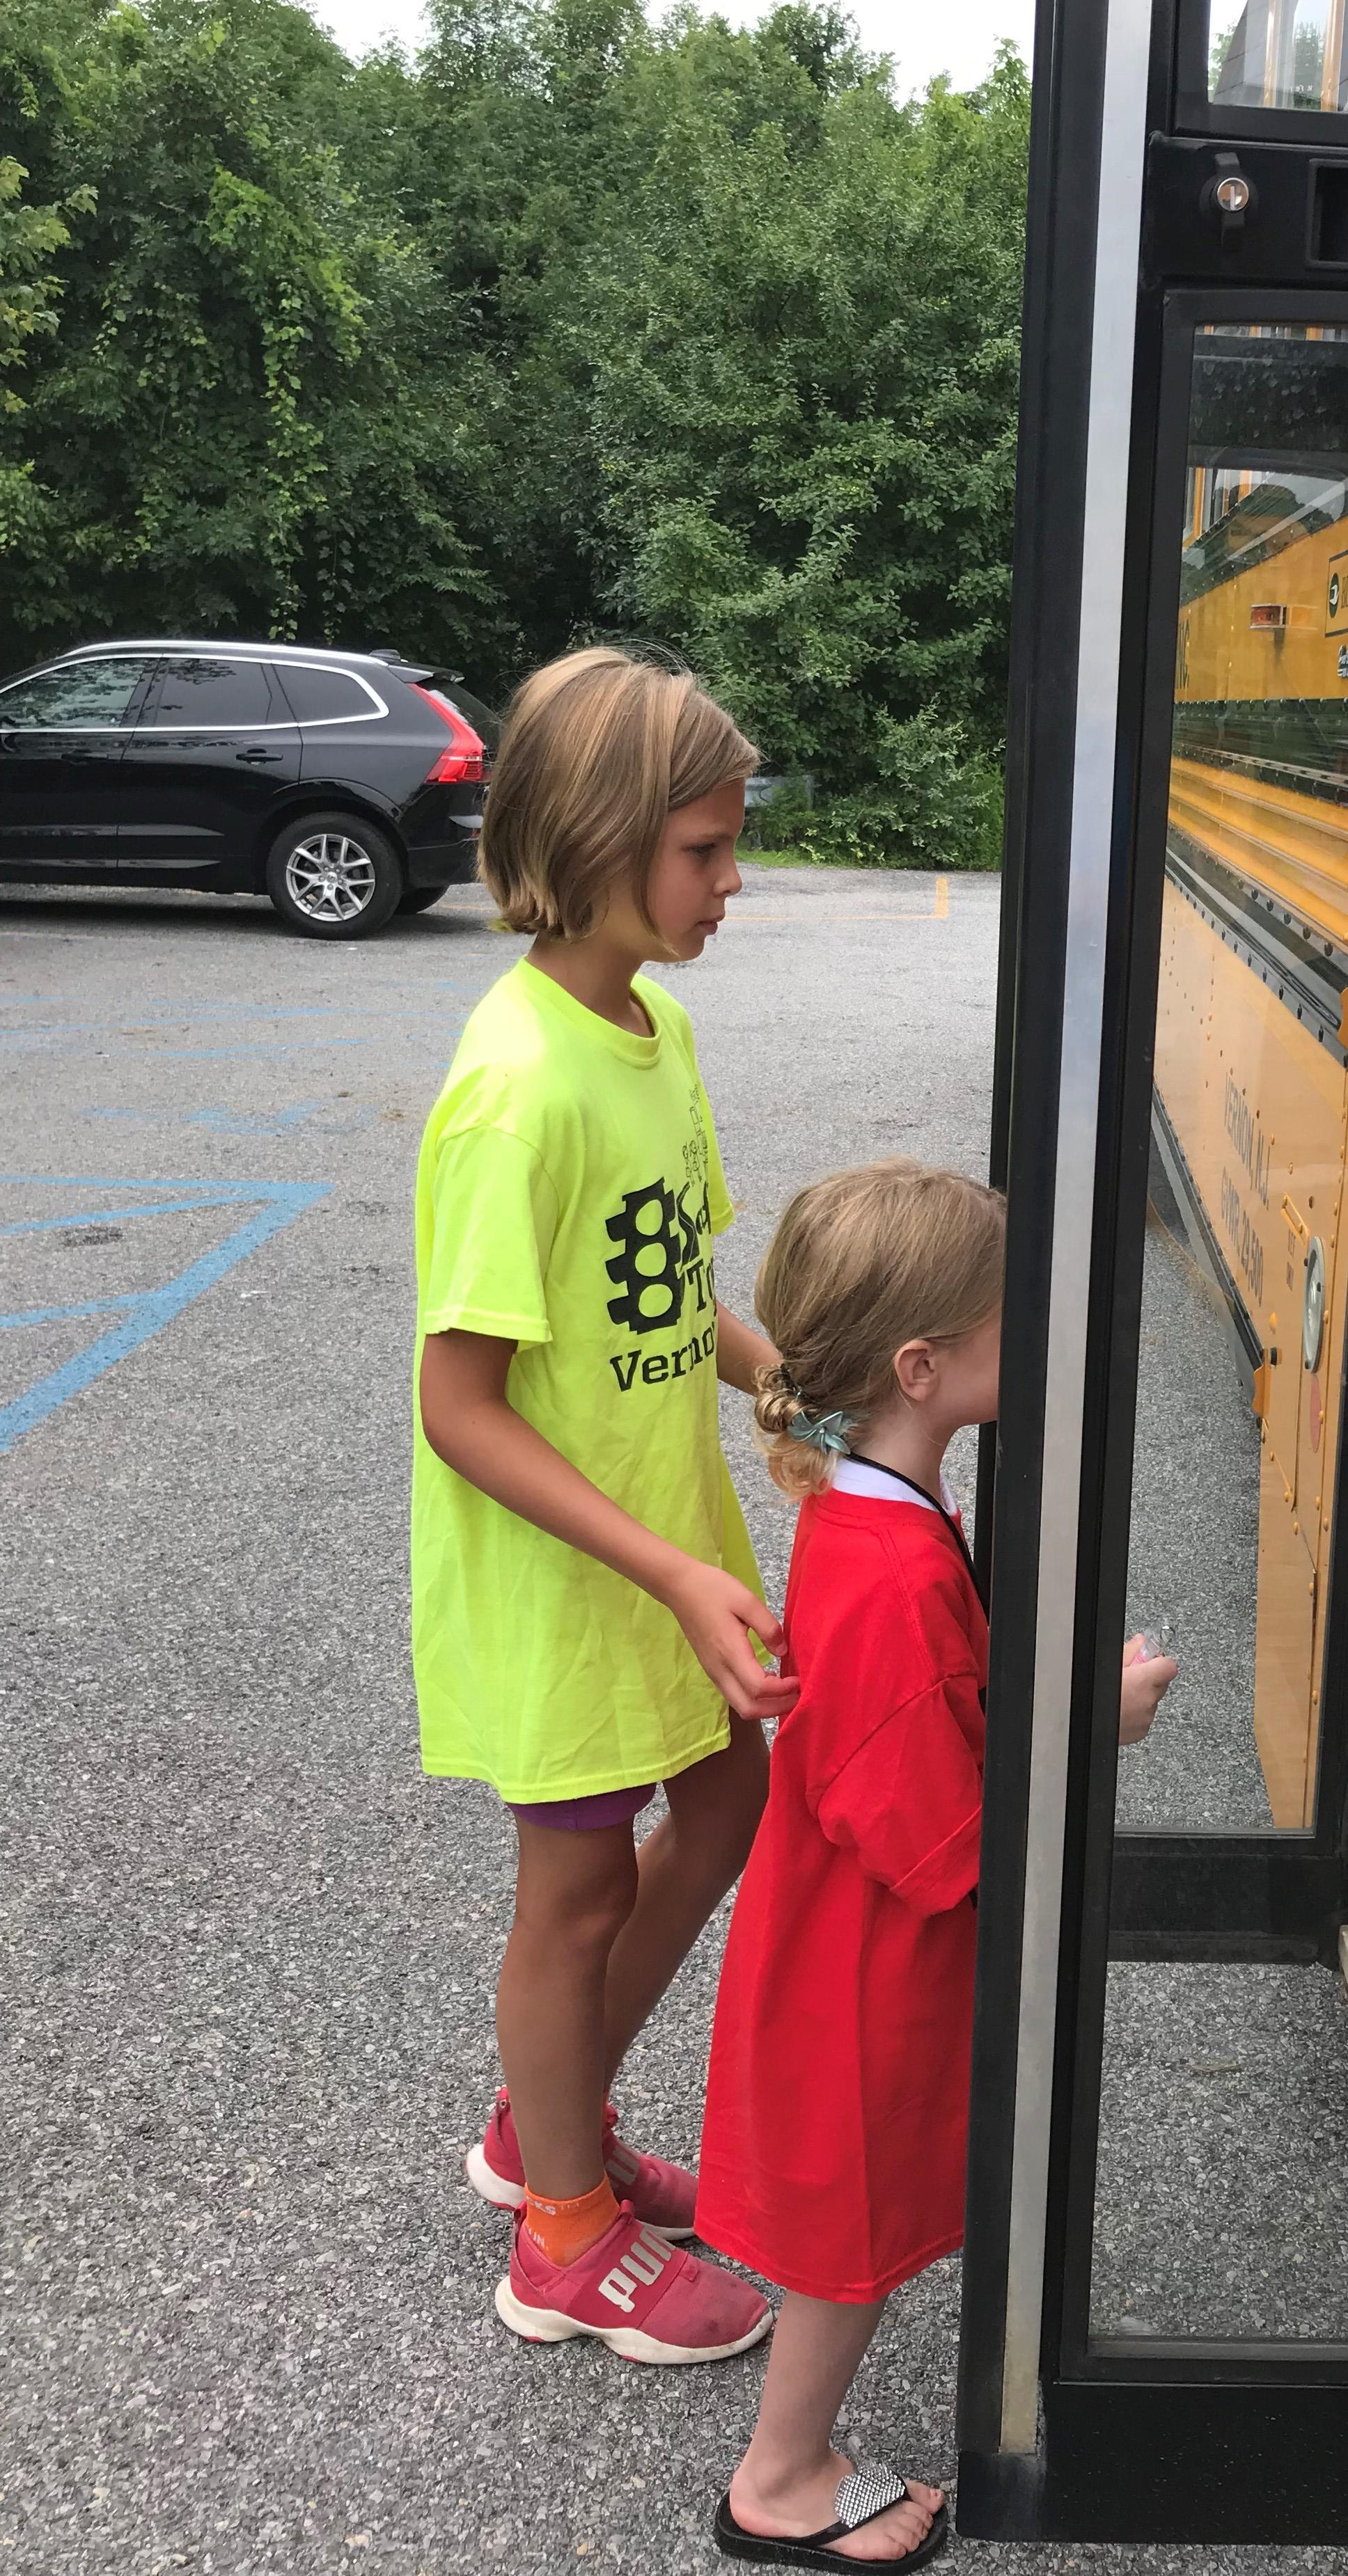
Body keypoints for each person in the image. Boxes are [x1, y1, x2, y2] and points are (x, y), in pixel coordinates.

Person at [696, 1160, 1177, 2567]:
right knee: (845, 2250)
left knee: (854, 2236)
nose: (1033, 1340)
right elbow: (938, 1835)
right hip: (863, 1984)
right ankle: (780, 2483)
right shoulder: (896, 1570)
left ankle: (796, 2453)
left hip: (845, 1953)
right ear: (923, 1367)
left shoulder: (868, 1509)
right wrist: (1098, 1728)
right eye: (1007, 1320)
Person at [413, 646, 796, 2366]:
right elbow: (460, 1406)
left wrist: (781, 1377)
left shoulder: (655, 1030)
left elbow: (669, 1289)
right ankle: (559, 2235)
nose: (734, 884)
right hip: (572, 1577)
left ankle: (541, 2120)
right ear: (594, 837)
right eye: (705, 853)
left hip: (665, 1547)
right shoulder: (517, 1090)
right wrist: (661, 1564)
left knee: (729, 1803)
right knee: (566, 1904)